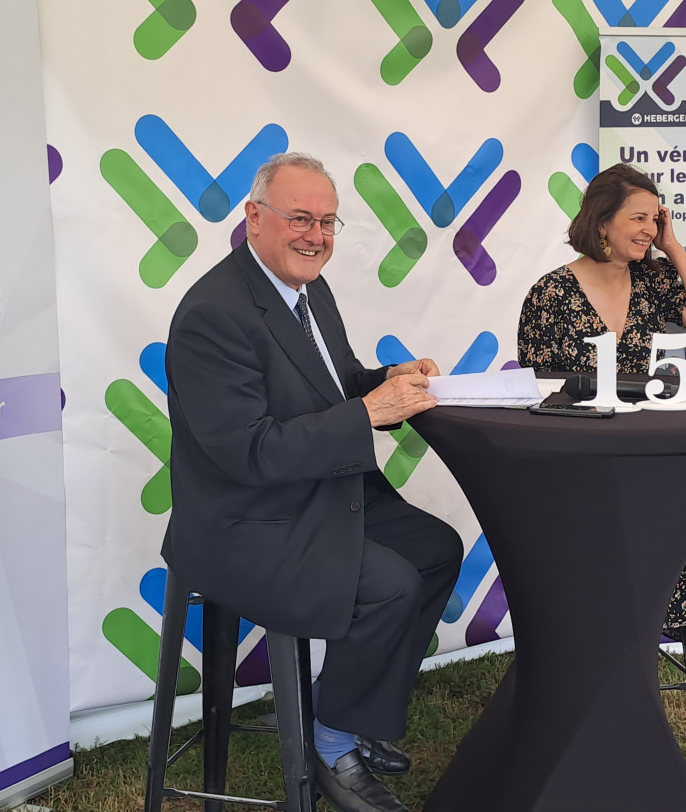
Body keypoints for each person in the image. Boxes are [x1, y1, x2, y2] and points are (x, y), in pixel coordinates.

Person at [162, 152, 463, 812]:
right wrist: (367, 414)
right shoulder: (214, 314)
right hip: (244, 518)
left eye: (327, 221)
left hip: (315, 490)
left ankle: (349, 715)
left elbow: (331, 387)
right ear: (253, 218)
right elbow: (249, 451)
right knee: (390, 585)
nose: (315, 235)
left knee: (438, 549)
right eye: (300, 218)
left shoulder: (306, 289)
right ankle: (330, 749)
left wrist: (384, 381)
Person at [516, 163, 686, 642]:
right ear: (602, 222)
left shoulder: (653, 283)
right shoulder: (550, 294)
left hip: (637, 451)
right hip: (573, 462)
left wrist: (672, 247)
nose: (649, 230)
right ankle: (606, 638)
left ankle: (644, 630)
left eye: (655, 220)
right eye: (638, 219)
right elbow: (537, 395)